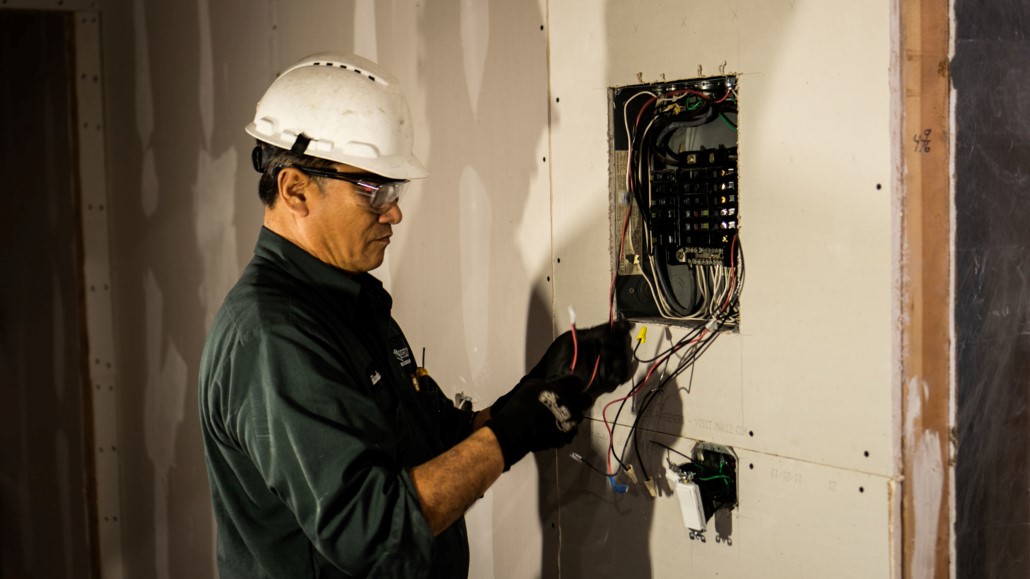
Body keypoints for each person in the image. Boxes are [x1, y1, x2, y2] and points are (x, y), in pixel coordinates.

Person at [198, 52, 633, 579]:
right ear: (295, 189)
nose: (395, 210)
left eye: (395, 188)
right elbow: (373, 530)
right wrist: (515, 431)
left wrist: (534, 392)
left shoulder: (350, 303)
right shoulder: (274, 337)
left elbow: (432, 444)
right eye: (373, 189)